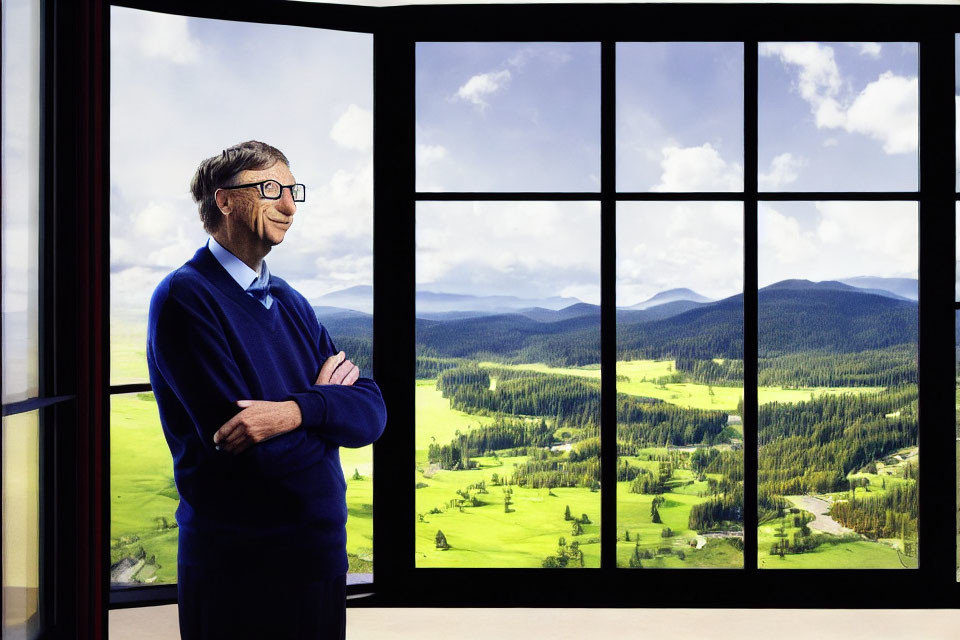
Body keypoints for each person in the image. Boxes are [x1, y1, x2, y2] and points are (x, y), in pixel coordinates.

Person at [146, 140, 386, 639]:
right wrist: (327, 407)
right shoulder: (186, 298)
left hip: (318, 560)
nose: (290, 206)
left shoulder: (290, 301)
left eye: (293, 190)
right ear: (225, 200)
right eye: (272, 188)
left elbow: (372, 412)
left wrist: (294, 412)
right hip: (240, 571)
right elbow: (255, 458)